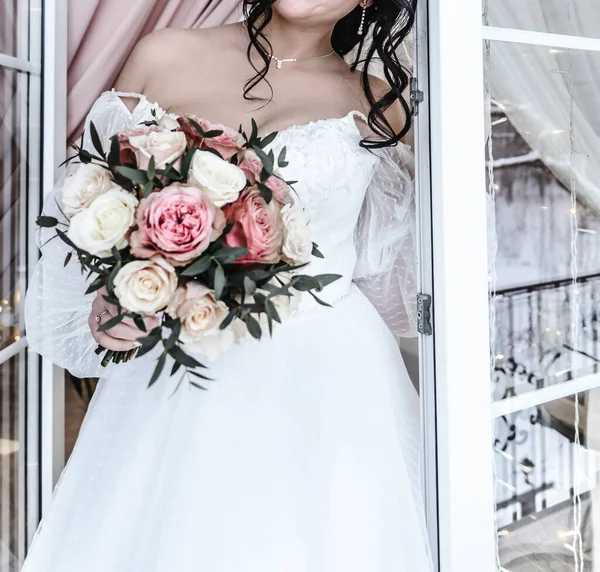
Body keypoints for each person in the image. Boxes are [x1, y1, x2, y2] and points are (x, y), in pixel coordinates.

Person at [23, 1, 432, 570]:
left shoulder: (381, 103)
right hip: (180, 359)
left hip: (328, 371)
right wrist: (124, 290)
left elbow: (401, 269)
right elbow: (90, 208)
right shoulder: (162, 55)